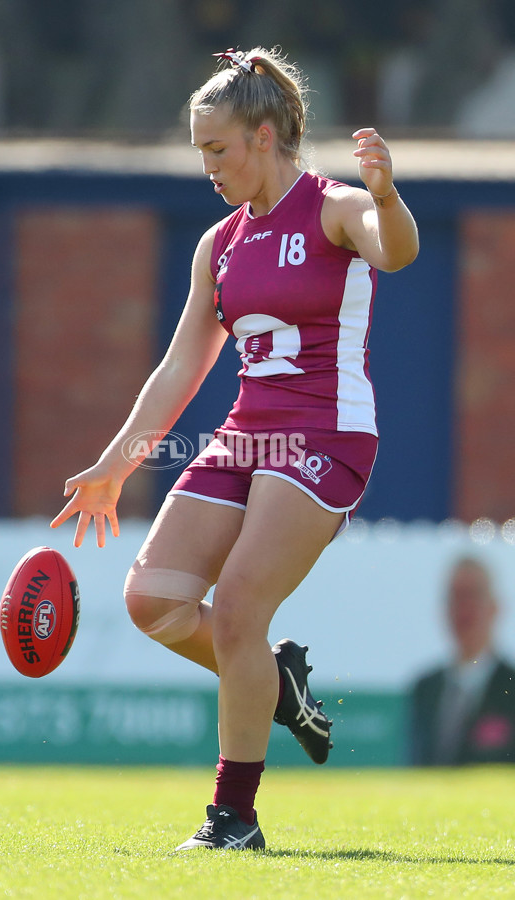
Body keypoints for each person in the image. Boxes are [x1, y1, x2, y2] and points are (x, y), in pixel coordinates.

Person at [50, 46, 419, 851]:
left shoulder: (335, 208)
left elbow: (395, 249)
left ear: (262, 135)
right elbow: (183, 364)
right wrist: (116, 466)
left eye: (217, 150)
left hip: (326, 433)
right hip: (249, 435)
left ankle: (233, 820)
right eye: (200, 153)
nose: (208, 168)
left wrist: (387, 197)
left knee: (242, 609)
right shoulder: (218, 243)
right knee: (154, 601)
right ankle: (277, 680)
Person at [410, 557, 515, 766]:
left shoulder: (511, 685)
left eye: (473, 595)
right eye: (456, 597)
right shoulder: (425, 687)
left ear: (495, 607)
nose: (464, 608)